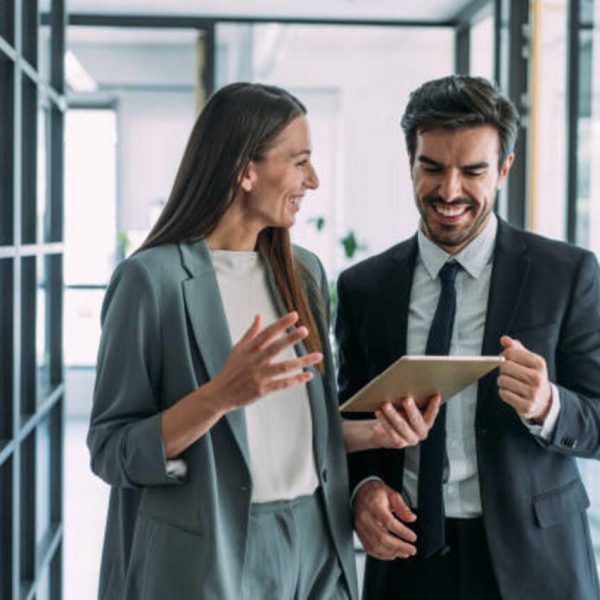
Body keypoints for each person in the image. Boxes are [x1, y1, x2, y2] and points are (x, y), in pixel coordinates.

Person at [87, 82, 439, 600]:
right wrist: (221, 395)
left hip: (316, 544)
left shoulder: (303, 273)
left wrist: (378, 434)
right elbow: (111, 451)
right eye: (299, 161)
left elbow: (294, 430)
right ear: (244, 171)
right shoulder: (151, 281)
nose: (313, 180)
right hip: (212, 551)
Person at [336, 75, 600, 600]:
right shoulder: (363, 287)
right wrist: (362, 490)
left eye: (473, 171)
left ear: (503, 169)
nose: (449, 191)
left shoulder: (566, 274)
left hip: (536, 564)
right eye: (431, 167)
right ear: (409, 163)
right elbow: (350, 417)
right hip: (405, 561)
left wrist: (549, 405)